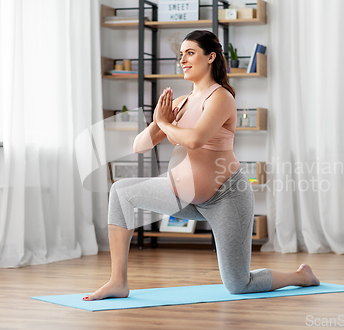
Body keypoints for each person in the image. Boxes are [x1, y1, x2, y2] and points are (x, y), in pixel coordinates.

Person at [83, 30, 320, 301]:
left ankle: (302, 276)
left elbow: (195, 140)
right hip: (182, 196)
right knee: (121, 191)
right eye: (181, 54)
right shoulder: (181, 103)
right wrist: (158, 120)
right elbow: (139, 145)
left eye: (190, 53)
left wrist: (165, 124)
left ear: (210, 57)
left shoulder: (220, 97)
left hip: (226, 197)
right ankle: (117, 281)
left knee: (238, 284)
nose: (183, 59)